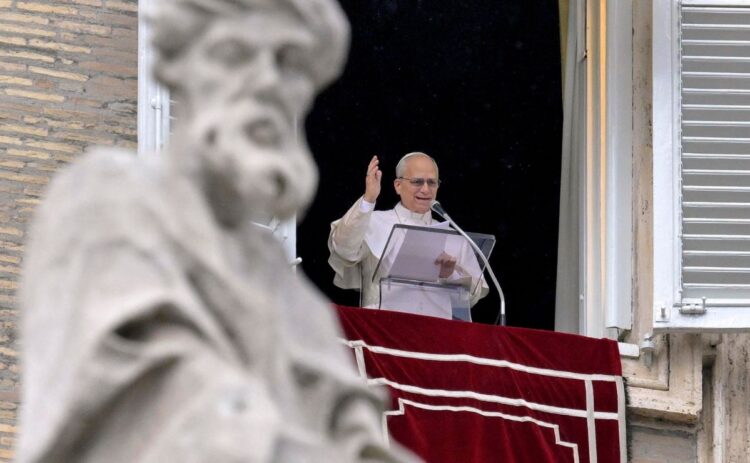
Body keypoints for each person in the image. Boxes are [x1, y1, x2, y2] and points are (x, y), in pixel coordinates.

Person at [17, 0, 416, 462]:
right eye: (234, 52)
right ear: (175, 66)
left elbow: (353, 430)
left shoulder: (288, 291)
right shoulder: (106, 198)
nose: (266, 81)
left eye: (288, 64)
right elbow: (163, 400)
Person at [328, 152, 489, 310]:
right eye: (417, 182)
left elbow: (472, 298)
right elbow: (343, 250)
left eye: (432, 182)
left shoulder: (454, 237)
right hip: (382, 323)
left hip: (435, 325)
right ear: (398, 186)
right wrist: (368, 199)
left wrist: (451, 274)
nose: (425, 189)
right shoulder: (373, 222)